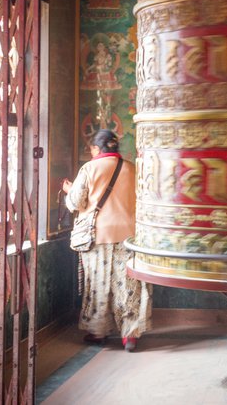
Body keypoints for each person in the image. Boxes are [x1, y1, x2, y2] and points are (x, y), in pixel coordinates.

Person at [62, 129, 151, 352]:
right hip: (130, 236)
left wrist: (69, 189)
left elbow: (76, 203)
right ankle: (130, 335)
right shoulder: (132, 169)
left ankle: (98, 332)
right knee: (128, 286)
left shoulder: (89, 168)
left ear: (96, 148)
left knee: (98, 284)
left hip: (98, 235)